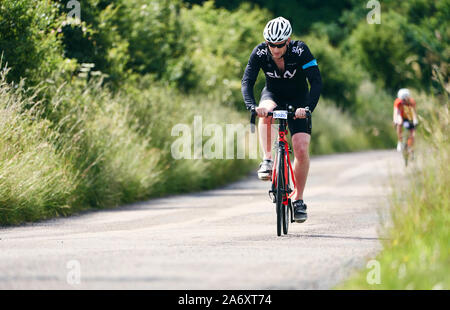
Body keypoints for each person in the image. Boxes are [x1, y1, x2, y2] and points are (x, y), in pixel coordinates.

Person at [241, 17, 322, 223]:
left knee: (301, 148)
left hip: (299, 100)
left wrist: (307, 109)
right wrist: (252, 106)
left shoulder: (300, 51)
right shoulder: (260, 52)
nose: (275, 50)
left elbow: (316, 81)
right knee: (265, 112)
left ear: (288, 41)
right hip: (273, 96)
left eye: (279, 45)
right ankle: (267, 160)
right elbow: (247, 81)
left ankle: (299, 200)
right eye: (271, 45)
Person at [393, 88, 418, 153]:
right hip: (401, 116)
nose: (403, 101)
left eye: (404, 100)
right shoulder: (398, 102)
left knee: (413, 132)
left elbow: (414, 112)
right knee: (399, 122)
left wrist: (415, 120)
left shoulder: (412, 102)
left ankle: (411, 146)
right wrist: (395, 121)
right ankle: (400, 141)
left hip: (409, 117)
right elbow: (396, 112)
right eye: (402, 100)